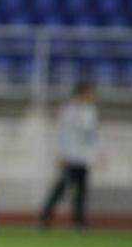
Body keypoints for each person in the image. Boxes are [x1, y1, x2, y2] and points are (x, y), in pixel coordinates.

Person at [39, 82, 99, 229]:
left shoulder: (91, 111)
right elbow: (63, 134)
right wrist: (62, 154)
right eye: (90, 93)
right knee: (61, 189)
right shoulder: (69, 110)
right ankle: (45, 218)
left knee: (81, 192)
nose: (93, 96)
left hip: (83, 158)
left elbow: (92, 136)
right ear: (82, 93)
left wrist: (96, 153)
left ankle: (79, 222)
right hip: (70, 156)